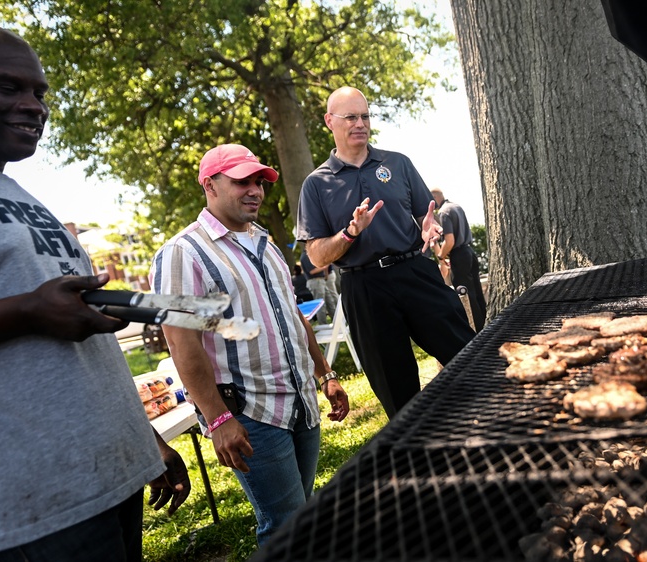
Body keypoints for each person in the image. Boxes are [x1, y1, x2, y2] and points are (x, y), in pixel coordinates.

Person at [0, 20, 190, 562]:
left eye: (40, 93)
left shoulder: (3, 184)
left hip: (106, 484)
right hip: (18, 522)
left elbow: (71, 339)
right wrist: (25, 312)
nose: (34, 106)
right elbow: (34, 312)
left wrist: (143, 441)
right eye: (8, 86)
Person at [150, 143, 350, 547]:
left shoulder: (265, 241)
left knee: (300, 516)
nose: (255, 190)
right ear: (210, 185)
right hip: (251, 413)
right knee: (284, 526)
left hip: (299, 402)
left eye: (259, 181)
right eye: (242, 181)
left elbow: (293, 315)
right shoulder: (183, 252)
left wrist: (325, 374)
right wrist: (218, 419)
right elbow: (181, 339)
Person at [296, 86, 476, 419]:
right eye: (350, 117)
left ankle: (494, 424)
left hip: (415, 272)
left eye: (364, 116)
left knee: (470, 357)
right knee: (399, 396)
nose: (360, 123)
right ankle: (423, 461)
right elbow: (317, 257)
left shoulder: (398, 163)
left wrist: (430, 227)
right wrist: (350, 233)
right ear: (329, 121)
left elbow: (427, 214)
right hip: (363, 289)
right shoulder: (317, 184)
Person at [430, 187, 487, 331]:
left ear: (434, 199)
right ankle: (487, 327)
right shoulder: (456, 207)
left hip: (459, 256)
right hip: (469, 252)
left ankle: (477, 332)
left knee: (466, 296)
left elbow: (449, 241)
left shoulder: (444, 212)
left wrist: (441, 256)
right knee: (477, 293)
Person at [300, 249, 339, 323]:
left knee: (330, 301)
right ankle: (323, 323)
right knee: (320, 305)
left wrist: (326, 275)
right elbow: (312, 271)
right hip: (315, 281)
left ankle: (337, 322)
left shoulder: (311, 254)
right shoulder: (305, 256)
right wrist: (324, 266)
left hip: (321, 280)